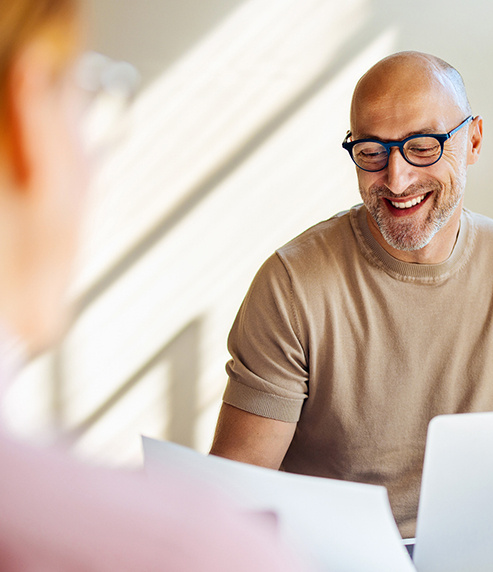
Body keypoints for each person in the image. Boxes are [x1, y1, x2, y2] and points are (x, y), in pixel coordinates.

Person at [210, 51, 493, 538]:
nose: (396, 179)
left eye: (422, 146)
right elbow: (233, 500)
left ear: (473, 141)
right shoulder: (292, 285)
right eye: (372, 152)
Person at [0, 1, 309, 569]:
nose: (395, 178)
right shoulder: (191, 550)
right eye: (85, 93)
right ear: (27, 112)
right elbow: (241, 480)